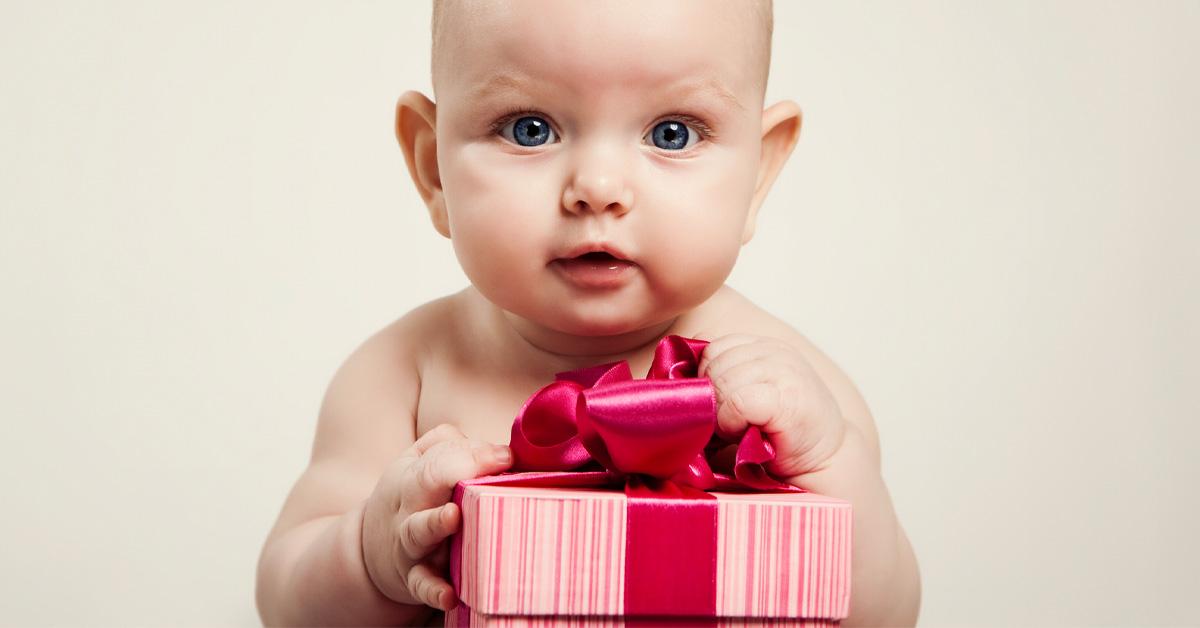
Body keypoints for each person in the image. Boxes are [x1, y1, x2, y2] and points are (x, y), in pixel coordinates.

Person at [255, 1, 920, 625]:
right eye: (530, 129)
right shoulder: (403, 376)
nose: (598, 188)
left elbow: (888, 616)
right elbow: (285, 602)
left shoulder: (790, 396)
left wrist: (830, 462)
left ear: (760, 173)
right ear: (432, 167)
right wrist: (370, 557)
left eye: (672, 133)